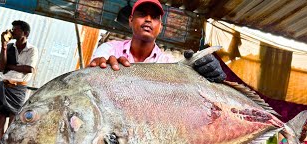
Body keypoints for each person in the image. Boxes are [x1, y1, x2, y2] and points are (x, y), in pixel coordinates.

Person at [89, 0, 226, 83]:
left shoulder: (169, 63)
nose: (148, 19)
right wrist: (98, 69)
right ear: (130, 20)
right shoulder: (109, 49)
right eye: (142, 14)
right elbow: (97, 66)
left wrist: (207, 76)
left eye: (154, 17)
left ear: (160, 27)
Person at [0, 20, 38, 144]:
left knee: (13, 121)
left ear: (25, 33)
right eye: (12, 29)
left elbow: (29, 69)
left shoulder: (32, 50)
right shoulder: (9, 47)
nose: (12, 31)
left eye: (16, 29)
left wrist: (9, 66)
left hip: (18, 89)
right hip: (3, 86)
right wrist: (4, 45)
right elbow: (1, 67)